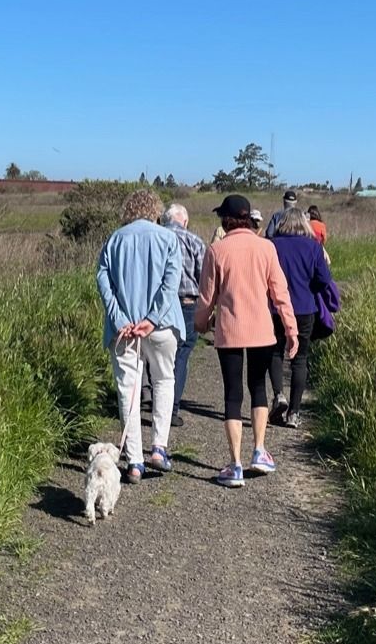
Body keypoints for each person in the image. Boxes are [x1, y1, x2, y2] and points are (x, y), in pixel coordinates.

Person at [194, 194, 298, 488]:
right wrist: (290, 330)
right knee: (258, 388)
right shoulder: (266, 247)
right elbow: (280, 294)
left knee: (232, 394)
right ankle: (260, 451)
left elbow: (206, 298)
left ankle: (235, 464)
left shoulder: (216, 250)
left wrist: (200, 324)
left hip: (229, 332)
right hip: (262, 331)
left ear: (226, 219)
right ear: (249, 218)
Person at [96, 189, 184, 483]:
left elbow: (104, 281)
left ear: (129, 211)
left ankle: (134, 461)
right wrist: (152, 319)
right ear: (155, 210)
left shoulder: (114, 239)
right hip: (161, 326)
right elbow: (170, 284)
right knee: (163, 380)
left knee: (127, 391)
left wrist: (121, 319)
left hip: (123, 330)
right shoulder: (168, 238)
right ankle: (158, 447)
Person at [268, 209, 333, 428]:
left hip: (276, 306)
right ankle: (294, 413)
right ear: (304, 224)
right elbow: (324, 279)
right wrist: (309, 289)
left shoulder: (273, 245)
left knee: (275, 351)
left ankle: (279, 395)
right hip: (305, 308)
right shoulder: (313, 247)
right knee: (300, 358)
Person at [162, 203, 206, 428]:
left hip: (160, 304)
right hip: (188, 302)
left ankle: (154, 397)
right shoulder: (195, 241)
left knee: (159, 353)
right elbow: (204, 277)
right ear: (185, 221)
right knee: (181, 354)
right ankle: (172, 409)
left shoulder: (156, 239)